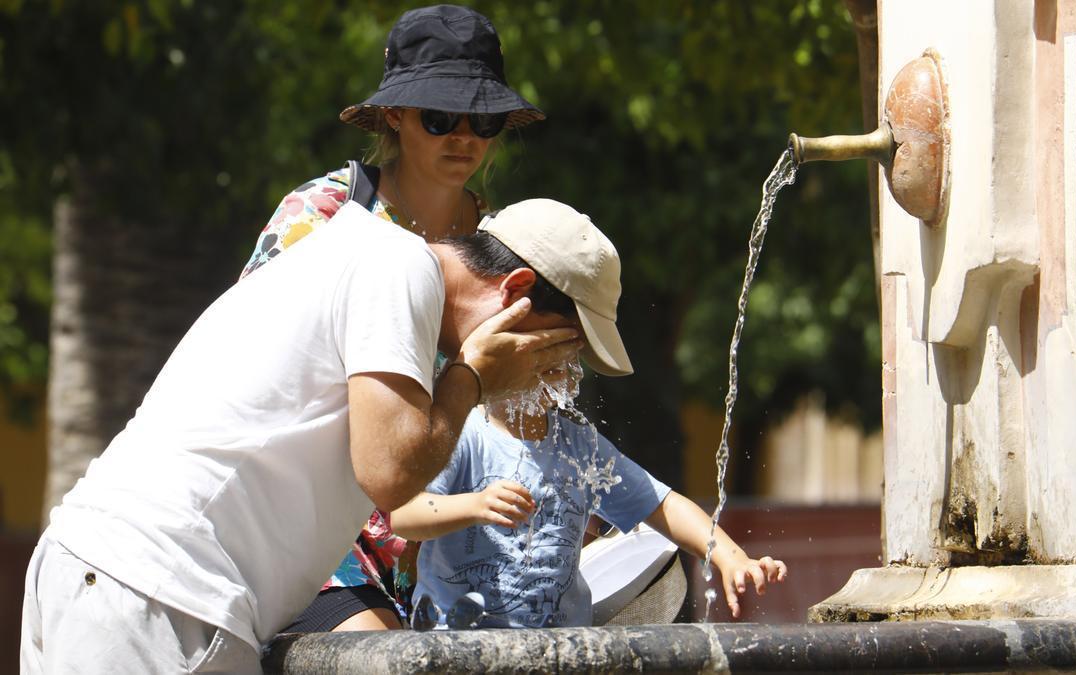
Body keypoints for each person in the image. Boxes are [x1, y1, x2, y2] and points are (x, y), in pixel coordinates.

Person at [20, 198, 609, 673]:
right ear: (515, 292)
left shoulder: (364, 253)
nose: (557, 375)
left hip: (113, 577)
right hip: (159, 595)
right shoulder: (399, 268)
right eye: (560, 348)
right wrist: (473, 377)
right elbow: (391, 475)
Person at [240, 4, 545, 633]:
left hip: (432, 549)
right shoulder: (322, 214)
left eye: (483, 119)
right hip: (309, 535)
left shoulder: (495, 241)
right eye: (440, 117)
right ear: (396, 116)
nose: (464, 137)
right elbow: (247, 373)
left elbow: (503, 413)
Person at [393, 212, 788, 630]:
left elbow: (663, 504)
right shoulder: (465, 432)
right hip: (453, 650)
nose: (560, 367)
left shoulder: (578, 447)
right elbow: (404, 514)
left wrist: (727, 554)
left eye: (569, 357)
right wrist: (473, 506)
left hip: (557, 653)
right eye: (548, 351)